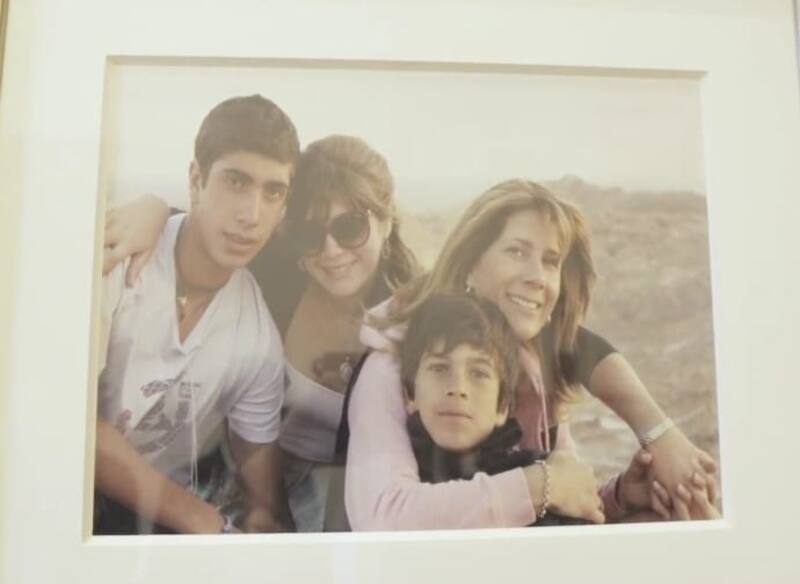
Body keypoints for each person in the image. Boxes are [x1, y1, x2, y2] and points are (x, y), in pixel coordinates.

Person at [345, 179, 718, 530]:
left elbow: (552, 502)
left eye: (550, 261)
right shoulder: (392, 364)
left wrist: (621, 496)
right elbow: (383, 516)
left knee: (675, 518)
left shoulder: (532, 367)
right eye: (517, 251)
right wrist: (540, 484)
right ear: (470, 263)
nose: (537, 277)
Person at [102, 135, 420, 532]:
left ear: (386, 222)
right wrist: (153, 209)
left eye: (350, 227)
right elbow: (204, 234)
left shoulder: (413, 321)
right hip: (233, 474)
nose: (331, 250)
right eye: (311, 233)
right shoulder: (277, 280)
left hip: (339, 495)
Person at [94, 94, 299, 534]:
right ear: (196, 179)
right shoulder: (121, 258)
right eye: (236, 182)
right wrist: (205, 522)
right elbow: (65, 417)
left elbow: (262, 496)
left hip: (148, 525)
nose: (251, 215)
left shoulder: (258, 340)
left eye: (273, 192)